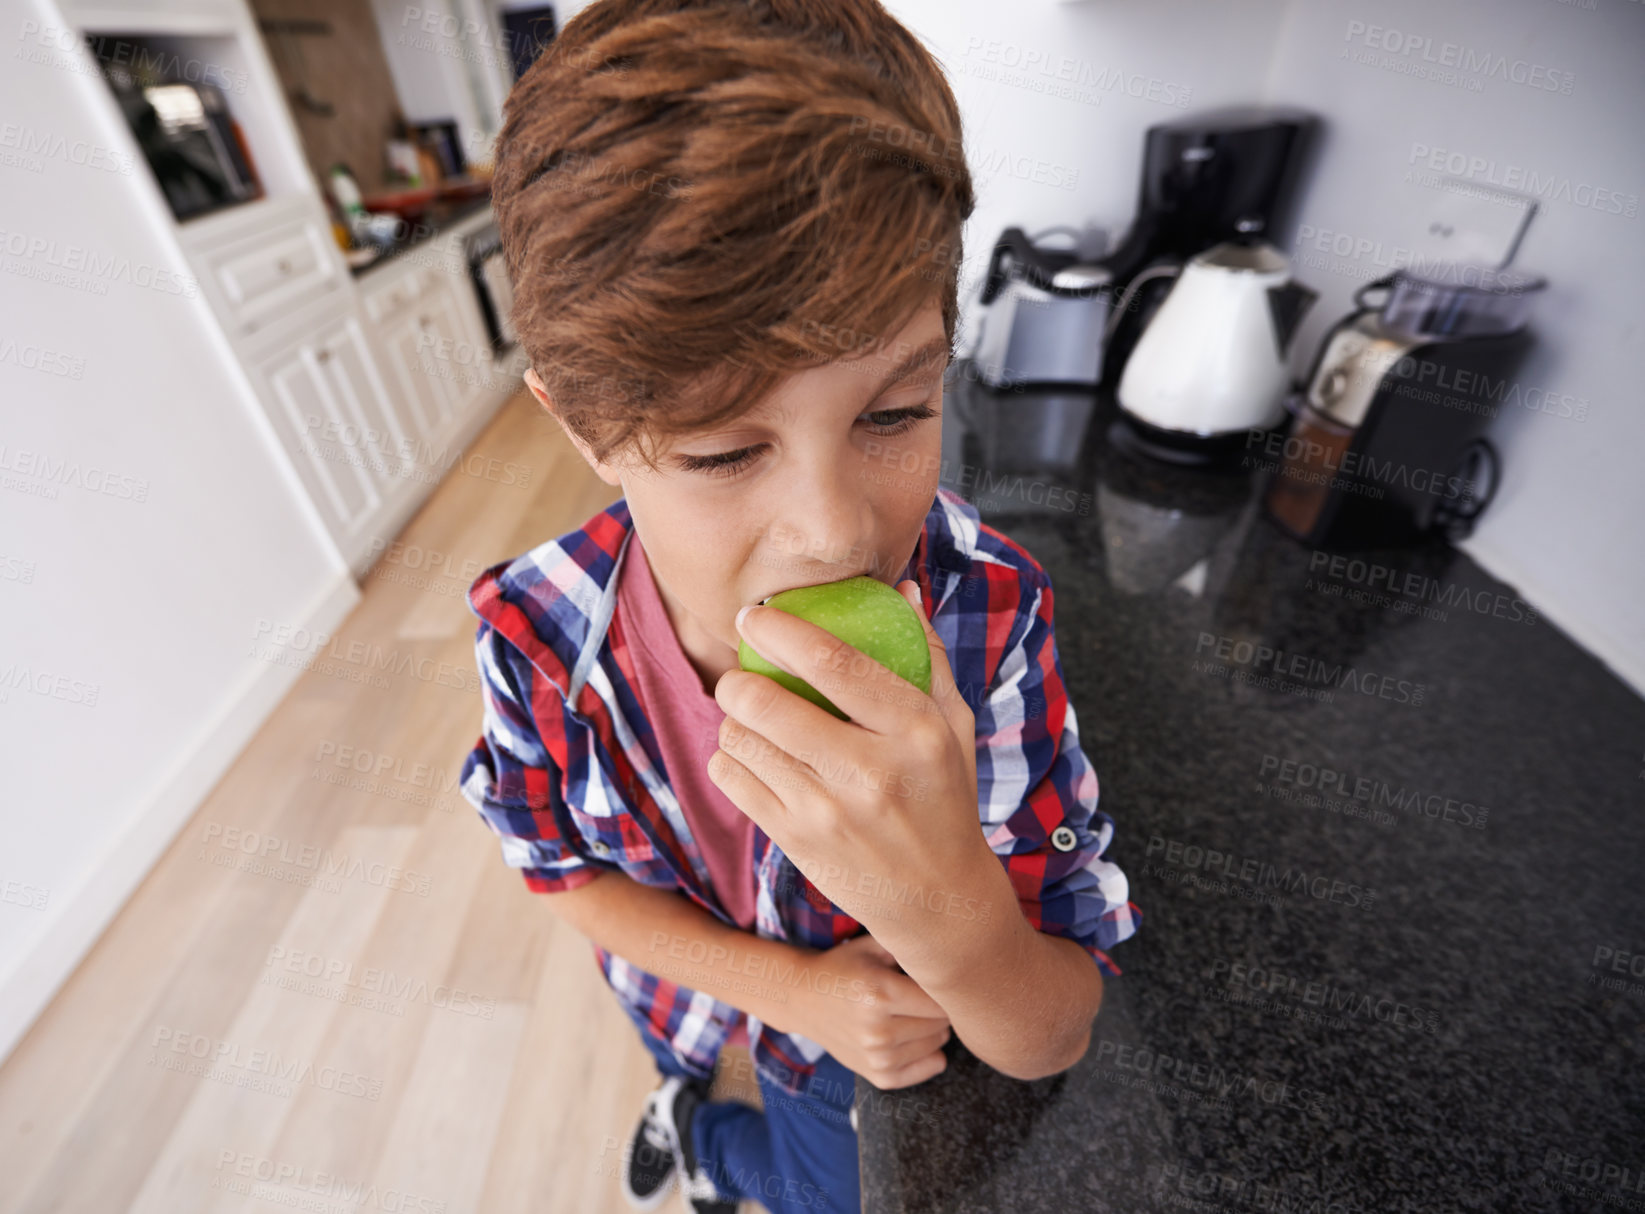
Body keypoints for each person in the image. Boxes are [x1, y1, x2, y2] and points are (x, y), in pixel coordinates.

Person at [459, 3, 1141, 1210]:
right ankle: (699, 1120)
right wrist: (787, 990)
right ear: (584, 428)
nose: (834, 530)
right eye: (723, 451)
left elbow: (1051, 1032)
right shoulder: (534, 634)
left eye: (892, 413)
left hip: (880, 1062)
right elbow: (556, 872)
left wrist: (950, 906)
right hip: (706, 1008)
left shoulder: (989, 620)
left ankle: (709, 1148)